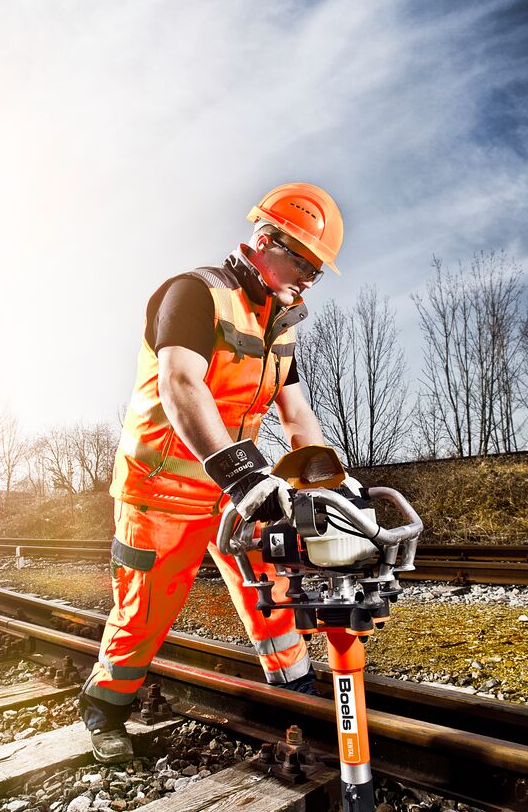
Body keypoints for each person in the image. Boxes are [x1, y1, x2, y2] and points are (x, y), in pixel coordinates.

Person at [82, 183, 344, 761]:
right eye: (298, 259)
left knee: (270, 583)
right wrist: (241, 473)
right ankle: (105, 709)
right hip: (161, 486)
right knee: (145, 606)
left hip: (235, 485)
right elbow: (181, 382)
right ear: (262, 239)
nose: (306, 276)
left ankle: (296, 699)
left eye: (316, 269)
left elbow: (297, 414)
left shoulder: (281, 327)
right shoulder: (194, 294)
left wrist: (334, 487)